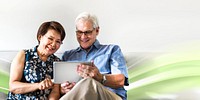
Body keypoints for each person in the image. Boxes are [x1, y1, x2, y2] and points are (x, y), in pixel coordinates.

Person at [60, 12, 129, 100]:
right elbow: (60, 86)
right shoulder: (68, 56)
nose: (83, 36)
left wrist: (100, 78)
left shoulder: (112, 50)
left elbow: (121, 80)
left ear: (97, 31)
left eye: (87, 32)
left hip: (110, 97)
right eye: (79, 32)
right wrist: (62, 89)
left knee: (89, 82)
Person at [7, 21, 66, 100]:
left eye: (58, 41)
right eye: (50, 39)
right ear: (40, 37)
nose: (53, 44)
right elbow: (13, 87)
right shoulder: (24, 55)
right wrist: (38, 85)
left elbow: (55, 92)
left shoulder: (58, 63)